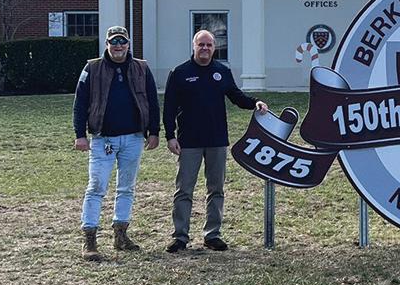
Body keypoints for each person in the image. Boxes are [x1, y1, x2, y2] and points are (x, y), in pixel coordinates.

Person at [163, 30, 269, 253]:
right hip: (188, 141)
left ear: (214, 48)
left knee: (216, 189)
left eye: (209, 45)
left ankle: (212, 235)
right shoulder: (180, 73)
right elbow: (169, 107)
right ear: (193, 46)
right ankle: (180, 236)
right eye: (201, 44)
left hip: (217, 140)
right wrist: (170, 136)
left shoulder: (222, 71)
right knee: (184, 190)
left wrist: (255, 103)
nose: (205, 48)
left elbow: (237, 97)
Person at [73, 25, 160, 261]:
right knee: (96, 187)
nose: (118, 45)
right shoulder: (92, 68)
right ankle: (90, 239)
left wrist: (154, 132)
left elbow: (152, 101)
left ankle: (121, 234)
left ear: (128, 44)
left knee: (126, 188)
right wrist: (80, 134)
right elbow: (80, 103)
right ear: (107, 44)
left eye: (122, 41)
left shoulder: (142, 68)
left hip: (133, 138)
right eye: (114, 41)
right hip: (103, 139)